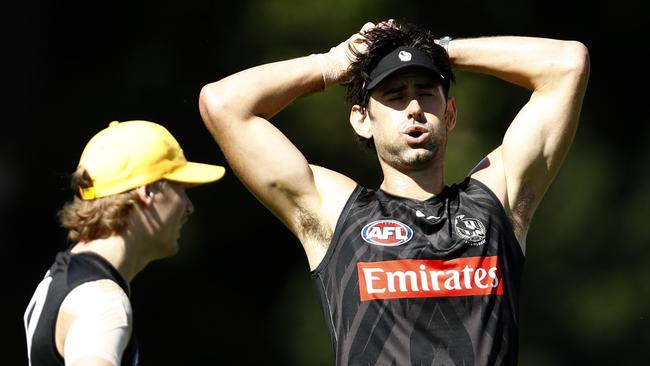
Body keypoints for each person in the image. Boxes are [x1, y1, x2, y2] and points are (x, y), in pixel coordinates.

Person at [199, 18, 589, 365]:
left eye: (426, 91)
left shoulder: (496, 202)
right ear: (361, 119)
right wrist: (331, 65)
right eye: (395, 96)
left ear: (450, 113)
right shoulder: (337, 214)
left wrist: (442, 51)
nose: (415, 107)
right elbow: (224, 104)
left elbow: (567, 64)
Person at [23, 120, 225, 366]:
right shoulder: (103, 304)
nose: (189, 206)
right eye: (180, 188)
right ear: (147, 191)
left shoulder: (59, 279)